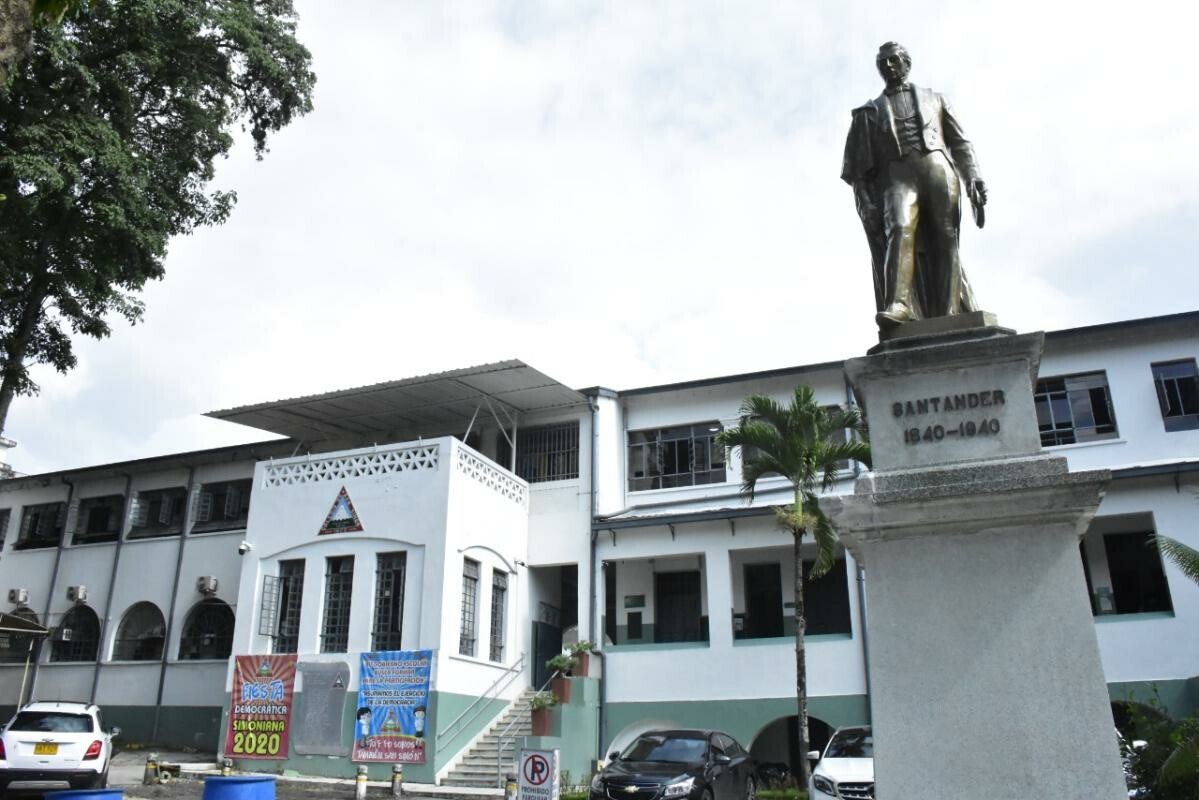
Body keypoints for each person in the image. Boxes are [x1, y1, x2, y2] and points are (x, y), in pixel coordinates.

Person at [841, 42, 988, 331]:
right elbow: (856, 169)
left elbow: (960, 143)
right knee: (898, 227)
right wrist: (866, 201)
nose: (889, 66)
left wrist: (973, 176)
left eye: (895, 60)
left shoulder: (937, 99)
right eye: (883, 63)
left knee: (945, 237)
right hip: (896, 177)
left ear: (907, 63)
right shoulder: (867, 113)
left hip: (937, 169)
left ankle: (950, 309)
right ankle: (899, 303)